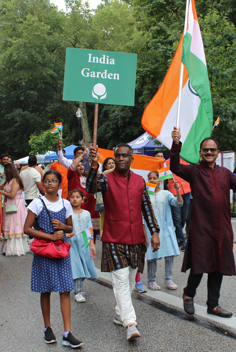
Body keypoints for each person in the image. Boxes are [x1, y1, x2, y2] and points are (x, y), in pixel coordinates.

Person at [170, 127, 236, 318]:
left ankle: (213, 305)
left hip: (222, 227)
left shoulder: (225, 173)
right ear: (200, 153)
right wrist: (176, 144)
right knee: (200, 265)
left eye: (213, 150)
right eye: (205, 150)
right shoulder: (193, 171)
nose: (209, 152)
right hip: (201, 227)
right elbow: (175, 167)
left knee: (219, 265)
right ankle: (189, 294)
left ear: (218, 153)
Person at [86, 143, 160, 340]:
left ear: (131, 158)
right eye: (117, 155)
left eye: (124, 156)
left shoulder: (139, 181)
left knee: (129, 281)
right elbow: (91, 187)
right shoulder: (106, 178)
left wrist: (154, 231)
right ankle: (130, 323)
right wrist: (93, 166)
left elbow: (146, 207)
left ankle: (120, 313)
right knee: (120, 281)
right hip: (114, 238)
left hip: (137, 239)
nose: (120, 159)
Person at [24, 170, 83, 348]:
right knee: (46, 289)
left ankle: (67, 333)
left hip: (61, 251)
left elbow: (69, 226)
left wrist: (63, 226)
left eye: (54, 181)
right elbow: (27, 228)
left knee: (65, 289)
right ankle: (47, 328)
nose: (50, 184)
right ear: (43, 184)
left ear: (59, 184)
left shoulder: (66, 203)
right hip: (44, 250)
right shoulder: (37, 203)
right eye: (47, 181)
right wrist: (50, 237)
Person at [145, 171, 182, 290]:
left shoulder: (166, 194)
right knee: (152, 255)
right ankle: (151, 280)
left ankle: (168, 279)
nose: (152, 180)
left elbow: (178, 203)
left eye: (154, 178)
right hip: (150, 229)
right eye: (150, 178)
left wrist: (178, 191)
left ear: (159, 180)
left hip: (166, 228)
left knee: (169, 253)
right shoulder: (145, 195)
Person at [66, 189, 98, 303]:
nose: (75, 199)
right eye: (72, 197)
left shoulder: (86, 213)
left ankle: (76, 286)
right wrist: (67, 235)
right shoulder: (68, 213)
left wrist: (92, 245)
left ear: (83, 199)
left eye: (77, 197)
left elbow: (90, 229)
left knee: (86, 266)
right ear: (69, 199)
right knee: (77, 267)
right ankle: (77, 292)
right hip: (72, 244)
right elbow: (64, 228)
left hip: (84, 242)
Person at [66, 146, 99, 237]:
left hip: (90, 207)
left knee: (88, 234)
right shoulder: (72, 176)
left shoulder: (88, 177)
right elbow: (73, 165)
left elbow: (95, 173)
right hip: (77, 208)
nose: (80, 166)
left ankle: (88, 248)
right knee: (76, 232)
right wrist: (83, 155)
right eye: (78, 165)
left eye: (82, 165)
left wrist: (95, 160)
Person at [0, 163, 28, 256]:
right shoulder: (8, 180)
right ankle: (9, 248)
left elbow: (12, 194)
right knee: (9, 223)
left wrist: (1, 192)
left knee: (14, 224)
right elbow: (0, 187)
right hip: (10, 204)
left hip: (16, 204)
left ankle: (15, 249)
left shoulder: (15, 180)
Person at [165, 156, 191, 250]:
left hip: (186, 191)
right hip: (175, 192)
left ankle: (175, 237)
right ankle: (182, 241)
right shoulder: (166, 162)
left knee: (184, 217)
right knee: (177, 218)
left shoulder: (185, 161)